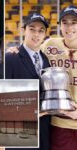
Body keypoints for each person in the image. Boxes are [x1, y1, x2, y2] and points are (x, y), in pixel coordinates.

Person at [5, 13, 51, 150]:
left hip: (43, 132)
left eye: (41, 31)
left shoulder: (46, 60)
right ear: (23, 30)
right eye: (32, 29)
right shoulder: (11, 58)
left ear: (45, 35)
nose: (36, 34)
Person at [40, 5, 77, 150]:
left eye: (74, 22)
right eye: (65, 22)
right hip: (59, 125)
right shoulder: (50, 45)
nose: (69, 27)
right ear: (60, 26)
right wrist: (15, 50)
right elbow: (31, 54)